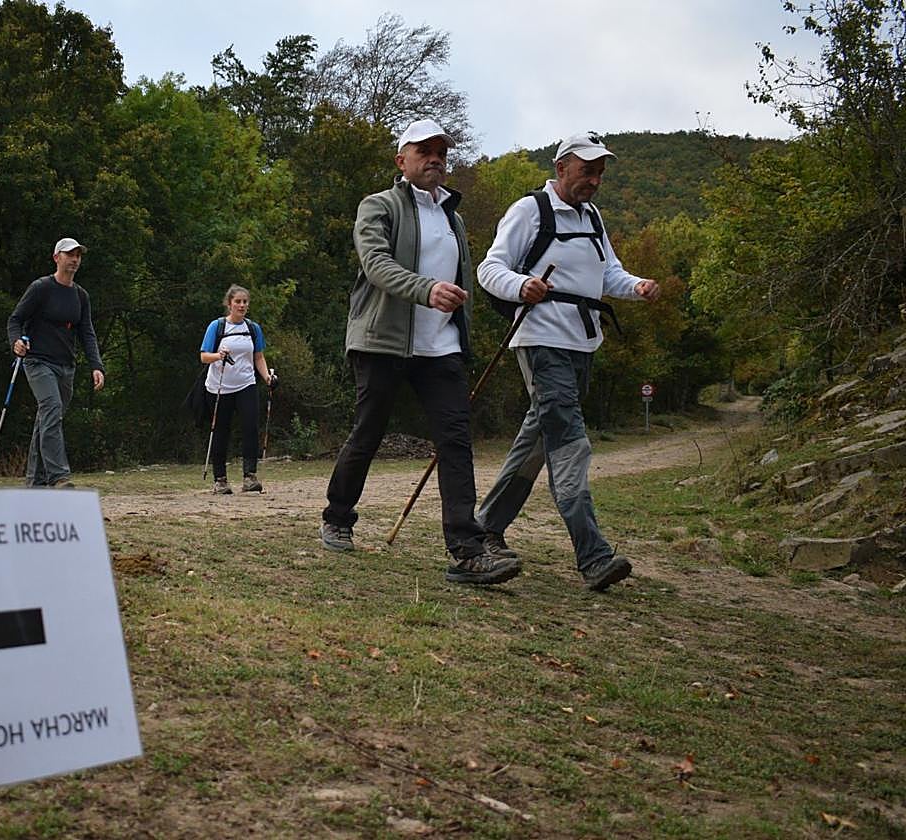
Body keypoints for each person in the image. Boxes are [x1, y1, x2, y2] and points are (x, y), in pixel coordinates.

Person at [318, 118, 519, 586]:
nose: (434, 159)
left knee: (455, 441)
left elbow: (465, 280)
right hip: (383, 341)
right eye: (424, 150)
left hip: (441, 346)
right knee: (368, 432)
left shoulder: (454, 217)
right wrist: (426, 290)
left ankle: (468, 552)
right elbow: (377, 265)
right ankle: (337, 517)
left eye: (441, 152)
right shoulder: (378, 207)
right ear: (400, 160)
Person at [476, 132, 661, 591]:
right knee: (569, 440)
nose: (595, 181)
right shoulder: (530, 210)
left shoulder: (592, 217)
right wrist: (522, 286)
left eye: (599, 173)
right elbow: (489, 268)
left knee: (540, 439)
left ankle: (484, 528)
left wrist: (636, 285)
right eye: (587, 171)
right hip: (541, 340)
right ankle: (593, 555)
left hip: (583, 344)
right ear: (561, 169)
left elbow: (608, 274)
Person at [6, 237, 105, 488]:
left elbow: (87, 333)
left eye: (78, 255)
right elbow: (15, 320)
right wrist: (16, 341)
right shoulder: (41, 288)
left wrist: (96, 365)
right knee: (50, 408)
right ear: (56, 258)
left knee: (47, 419)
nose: (74, 259)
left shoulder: (80, 296)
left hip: (65, 366)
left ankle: (35, 482)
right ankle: (59, 477)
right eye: (69, 254)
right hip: (38, 361)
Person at [199, 284, 276, 494]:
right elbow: (204, 356)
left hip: (246, 384)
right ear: (229, 304)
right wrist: (218, 356)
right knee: (221, 432)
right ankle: (220, 480)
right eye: (238, 302)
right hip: (219, 387)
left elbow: (258, 357)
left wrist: (267, 377)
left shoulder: (253, 328)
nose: (242, 305)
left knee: (250, 427)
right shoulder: (217, 326)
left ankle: (250, 477)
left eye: (245, 302)